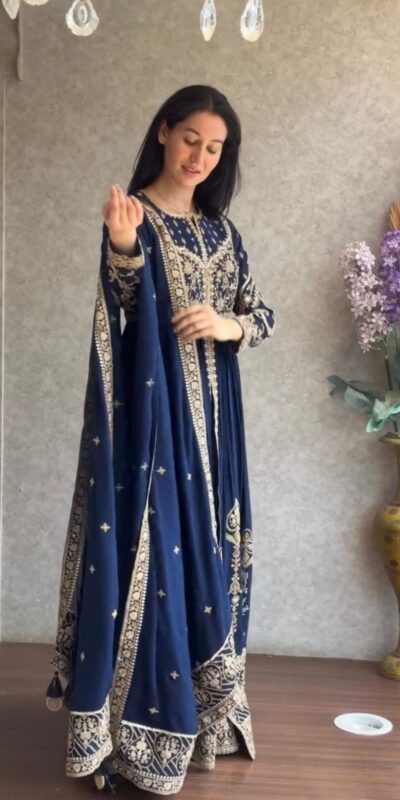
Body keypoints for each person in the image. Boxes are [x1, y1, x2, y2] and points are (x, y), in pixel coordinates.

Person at [47, 85, 275, 796]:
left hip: (219, 428)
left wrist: (229, 325)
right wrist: (122, 245)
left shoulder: (223, 232)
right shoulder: (135, 217)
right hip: (157, 425)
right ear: (164, 133)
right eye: (191, 140)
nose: (201, 157)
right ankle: (139, 730)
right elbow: (124, 301)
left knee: (214, 551)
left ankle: (208, 718)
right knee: (159, 556)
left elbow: (260, 313)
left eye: (215, 148)